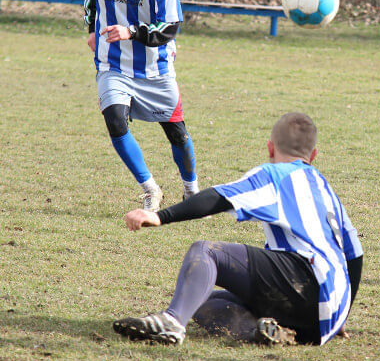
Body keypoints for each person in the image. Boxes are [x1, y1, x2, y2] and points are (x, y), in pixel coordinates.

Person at [112, 112, 364, 346]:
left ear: (270, 148)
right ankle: (263, 333)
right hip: (322, 320)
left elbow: (218, 198)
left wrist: (160, 216)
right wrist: (340, 313)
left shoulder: (274, 174)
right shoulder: (326, 188)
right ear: (314, 154)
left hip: (303, 279)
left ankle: (172, 323)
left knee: (206, 251)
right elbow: (354, 256)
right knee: (200, 301)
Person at [84, 0, 199, 212]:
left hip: (154, 67)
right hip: (112, 64)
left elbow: (171, 26)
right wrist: (91, 29)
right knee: (115, 120)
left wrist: (131, 32)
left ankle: (191, 189)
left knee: (177, 132)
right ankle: (150, 188)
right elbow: (92, 0)